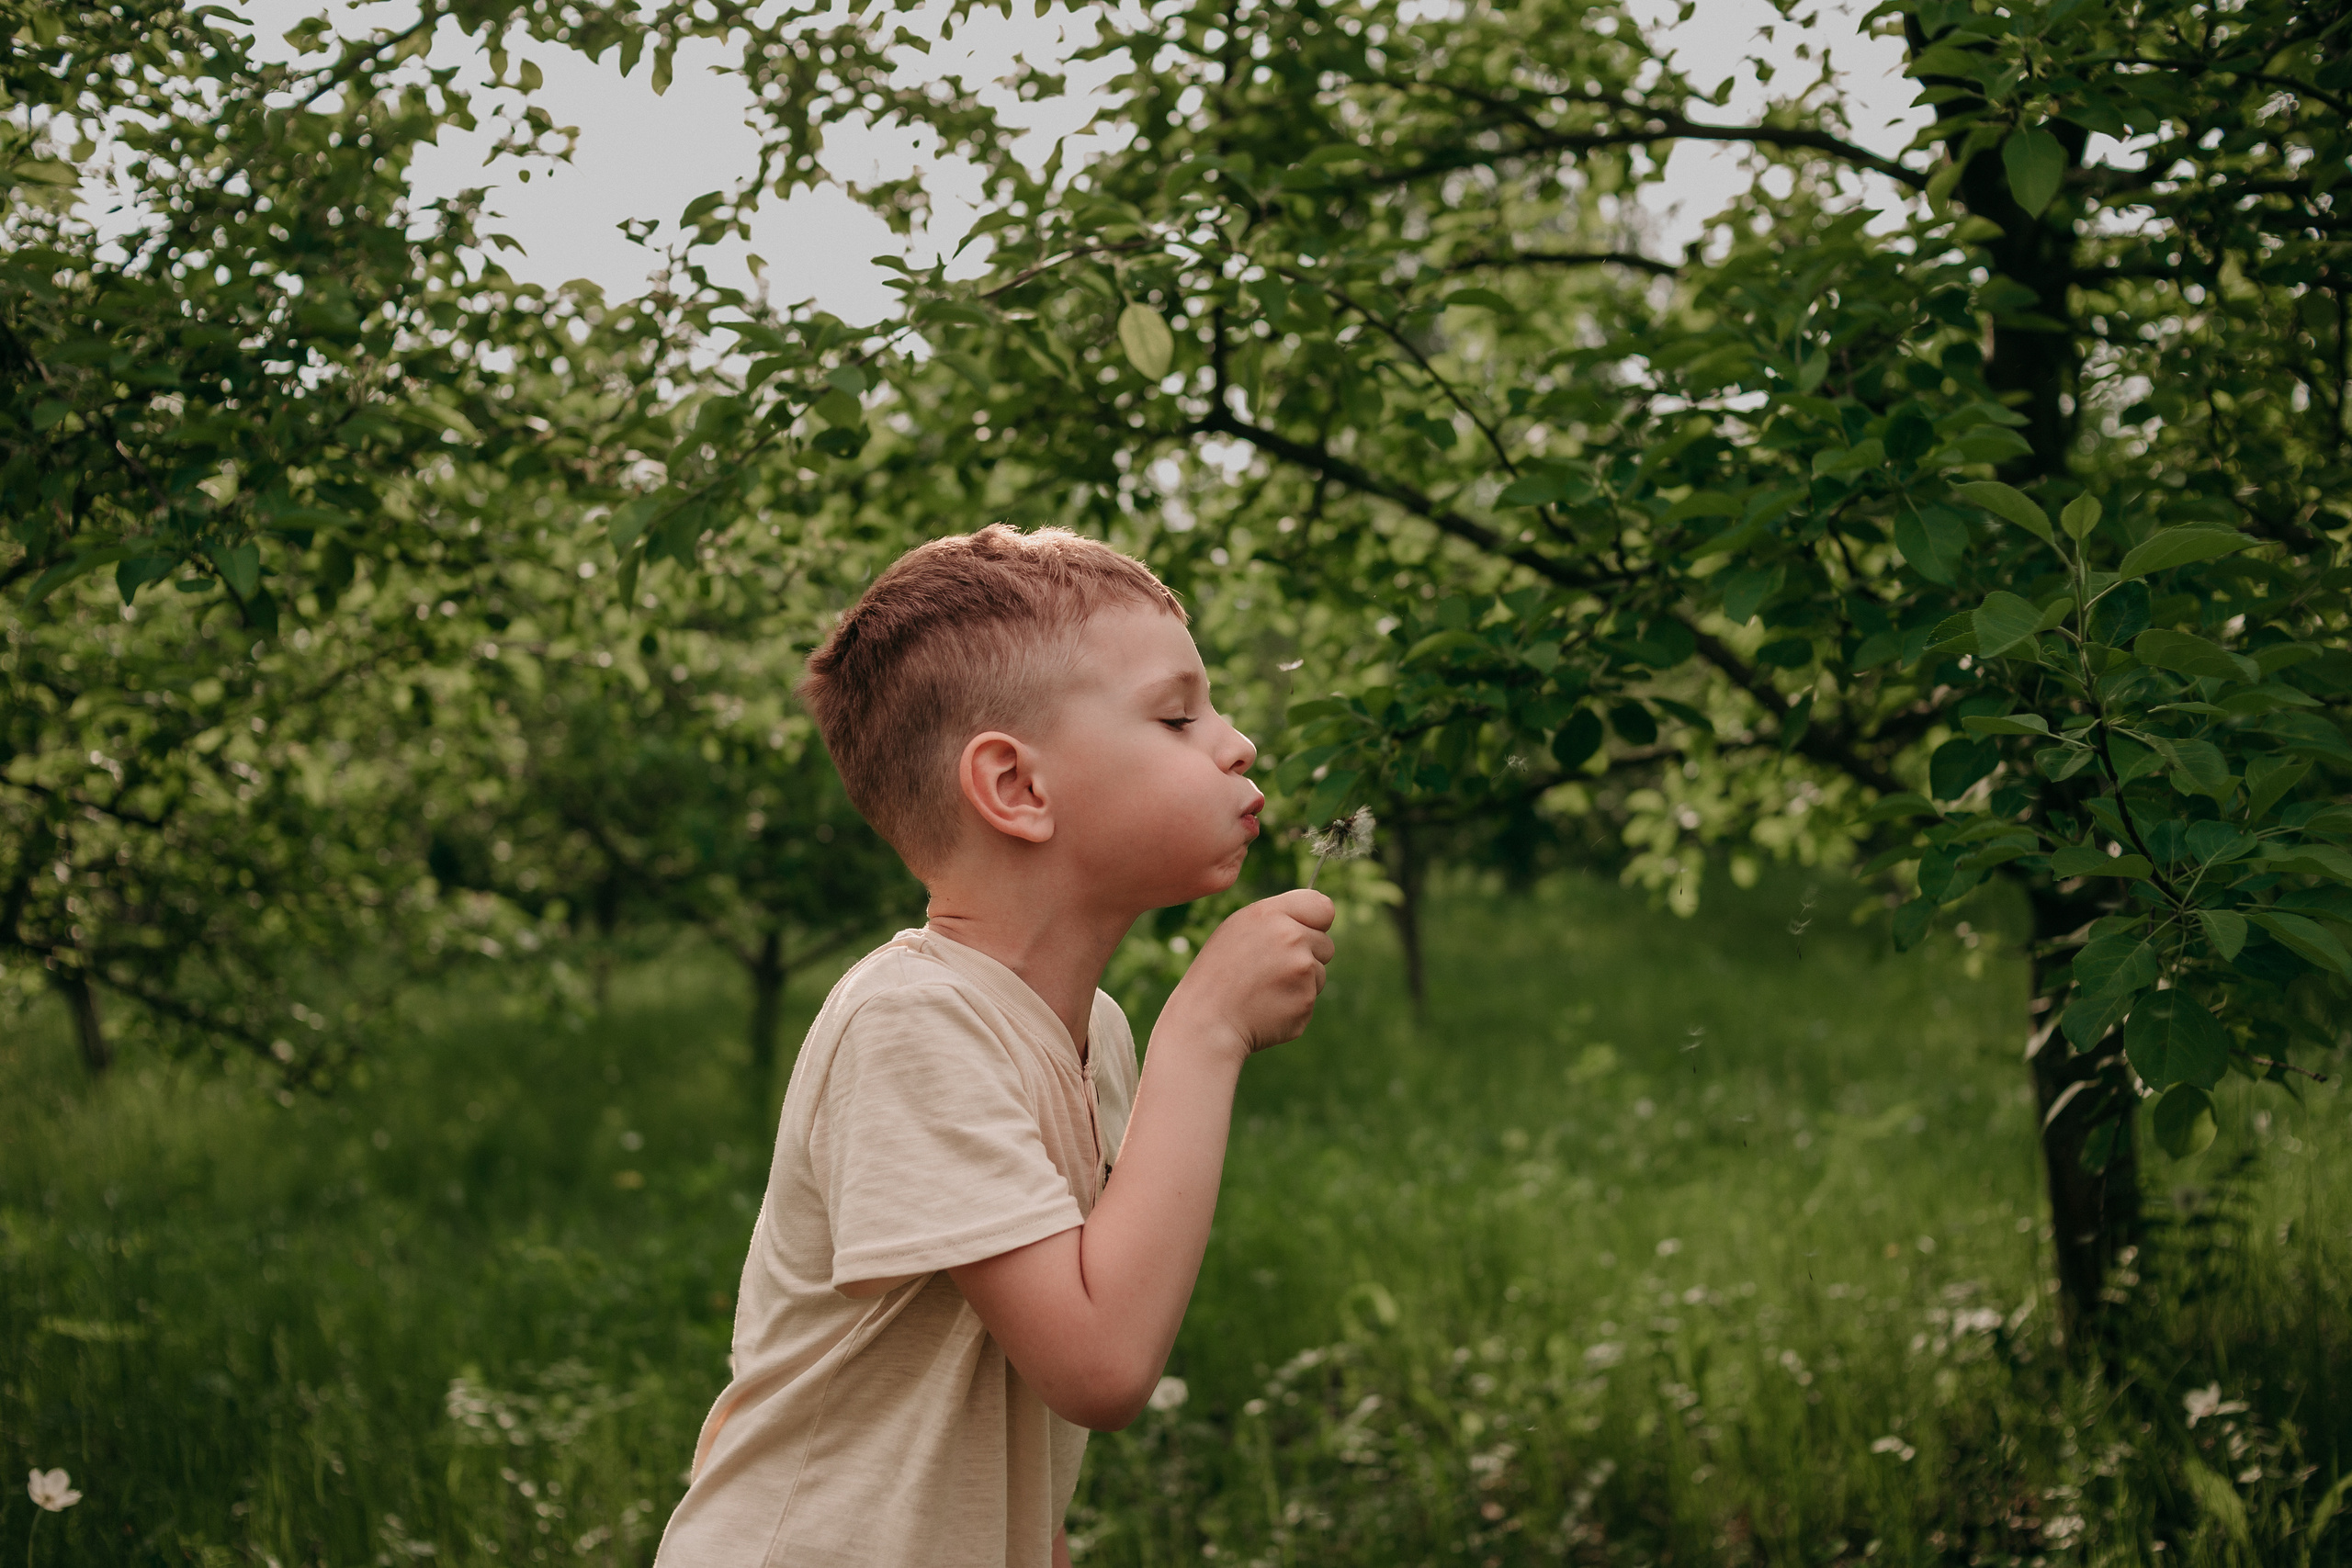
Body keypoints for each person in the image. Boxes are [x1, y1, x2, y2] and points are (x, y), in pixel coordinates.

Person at [654, 525, 1337, 1568]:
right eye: (1177, 715)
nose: (1236, 742)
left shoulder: (1087, 1030)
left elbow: (1009, 1389)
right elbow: (1100, 1367)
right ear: (1016, 789)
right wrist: (1206, 1027)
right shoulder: (907, 1022)